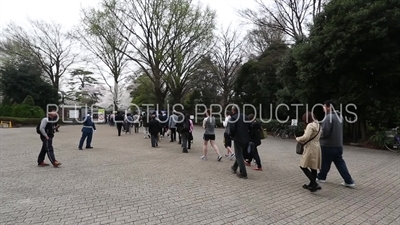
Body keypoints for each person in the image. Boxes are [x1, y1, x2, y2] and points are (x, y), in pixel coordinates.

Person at [317, 100, 355, 187]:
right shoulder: (340, 116)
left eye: (324, 106)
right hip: (338, 145)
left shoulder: (328, 117)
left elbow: (325, 132)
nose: (323, 108)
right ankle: (349, 181)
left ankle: (321, 177)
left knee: (325, 162)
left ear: (329, 107)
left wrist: (319, 136)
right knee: (340, 162)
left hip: (328, 145)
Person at [296, 112, 322, 192]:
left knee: (303, 165)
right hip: (317, 146)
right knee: (313, 166)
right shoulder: (318, 124)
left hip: (310, 147)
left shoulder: (310, 125)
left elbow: (306, 137)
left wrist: (298, 139)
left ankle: (314, 183)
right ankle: (311, 184)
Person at [230, 106, 250, 179]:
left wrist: (231, 136)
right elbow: (250, 126)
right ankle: (234, 167)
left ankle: (243, 173)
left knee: (239, 155)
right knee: (240, 154)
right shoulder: (245, 117)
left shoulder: (234, 118)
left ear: (234, 111)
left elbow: (232, 128)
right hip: (246, 138)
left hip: (238, 138)